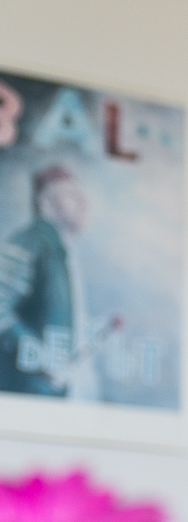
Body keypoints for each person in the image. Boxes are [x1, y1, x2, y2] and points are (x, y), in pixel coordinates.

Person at [0, 164, 90, 398]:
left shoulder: (60, 250)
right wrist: (40, 357)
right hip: (24, 392)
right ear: (46, 203)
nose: (82, 202)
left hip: (48, 392)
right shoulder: (28, 243)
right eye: (70, 195)